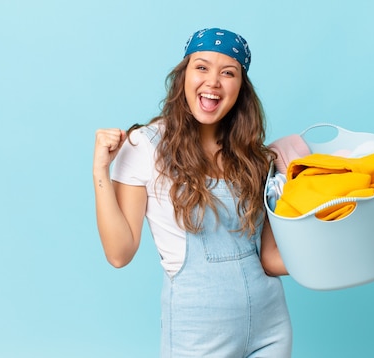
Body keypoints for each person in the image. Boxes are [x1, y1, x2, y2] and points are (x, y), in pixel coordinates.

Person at [93, 28, 293, 357]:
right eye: (201, 67)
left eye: (227, 72)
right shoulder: (145, 146)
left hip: (270, 329)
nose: (213, 82)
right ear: (183, 75)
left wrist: (367, 249)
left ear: (240, 87)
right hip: (197, 337)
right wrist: (100, 170)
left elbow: (272, 258)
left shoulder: (253, 156)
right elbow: (119, 253)